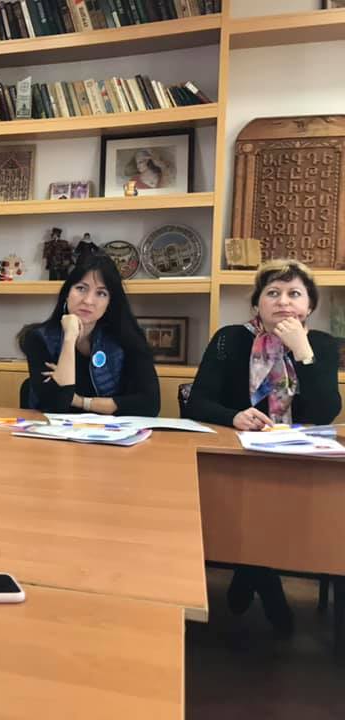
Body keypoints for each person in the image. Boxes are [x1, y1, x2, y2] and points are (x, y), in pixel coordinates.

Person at [183, 258, 341, 634]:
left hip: (299, 460)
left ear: (309, 306)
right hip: (238, 454)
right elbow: (197, 402)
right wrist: (234, 415)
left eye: (294, 294)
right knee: (250, 502)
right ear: (257, 304)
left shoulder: (320, 344)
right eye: (273, 293)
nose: (283, 301)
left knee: (286, 507)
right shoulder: (230, 339)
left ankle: (250, 570)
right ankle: (265, 580)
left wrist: (302, 352)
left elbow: (324, 412)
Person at [18, 252, 160, 416]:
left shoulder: (126, 338)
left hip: (111, 431)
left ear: (110, 302)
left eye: (101, 293)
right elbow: (56, 403)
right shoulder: (39, 338)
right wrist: (69, 338)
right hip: (55, 431)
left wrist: (80, 401)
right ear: (67, 293)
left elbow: (149, 404)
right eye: (81, 288)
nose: (88, 301)